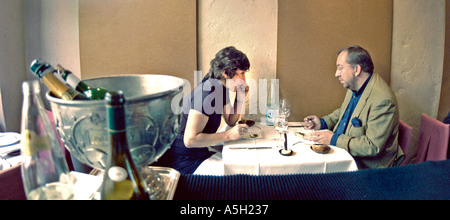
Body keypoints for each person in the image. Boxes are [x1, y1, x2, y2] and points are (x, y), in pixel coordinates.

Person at [154, 46, 251, 174]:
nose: (244, 80)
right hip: (184, 160)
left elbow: (230, 121)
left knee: (241, 163)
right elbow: (190, 140)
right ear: (226, 73)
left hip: (199, 152)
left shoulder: (221, 87)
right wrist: (228, 135)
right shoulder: (206, 94)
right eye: (241, 74)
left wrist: (240, 96)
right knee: (237, 172)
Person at [304, 45, 404, 169]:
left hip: (367, 169)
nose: (336, 74)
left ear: (356, 69)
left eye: (340, 68)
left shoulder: (383, 100)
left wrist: (333, 139)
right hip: (345, 155)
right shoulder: (355, 85)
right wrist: (322, 122)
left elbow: (372, 146)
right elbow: (344, 112)